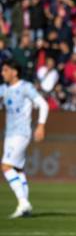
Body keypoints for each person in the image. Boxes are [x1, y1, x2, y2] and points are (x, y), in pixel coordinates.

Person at [1, 59, 49, 218]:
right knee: (18, 169)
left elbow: (43, 104)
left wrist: (41, 125)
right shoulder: (4, 89)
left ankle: (23, 202)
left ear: (14, 72)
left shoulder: (25, 87)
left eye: (6, 70)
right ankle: (25, 207)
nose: (3, 73)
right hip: (9, 134)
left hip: (21, 133)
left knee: (6, 166)